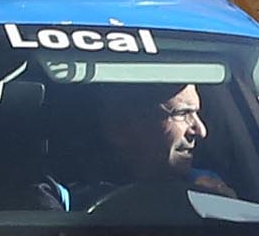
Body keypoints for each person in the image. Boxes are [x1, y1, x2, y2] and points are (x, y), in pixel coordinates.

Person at [89, 81, 235, 199]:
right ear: (119, 127)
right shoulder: (70, 202)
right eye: (182, 113)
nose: (200, 131)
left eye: (197, 113)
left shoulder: (208, 187)